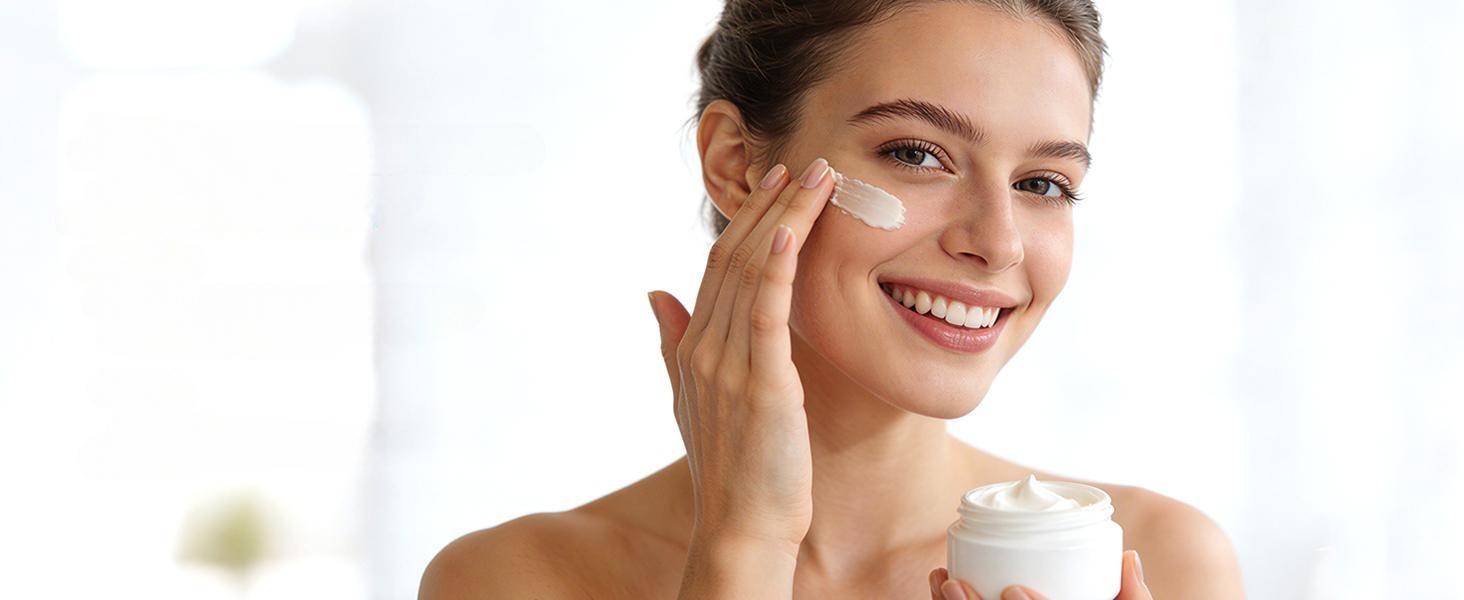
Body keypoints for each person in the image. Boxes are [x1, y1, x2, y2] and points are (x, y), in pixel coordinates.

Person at [421, 1, 1245, 598]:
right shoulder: (522, 580)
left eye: (1042, 182)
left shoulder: (1153, 563)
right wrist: (743, 548)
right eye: (917, 154)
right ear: (736, 164)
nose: (998, 241)